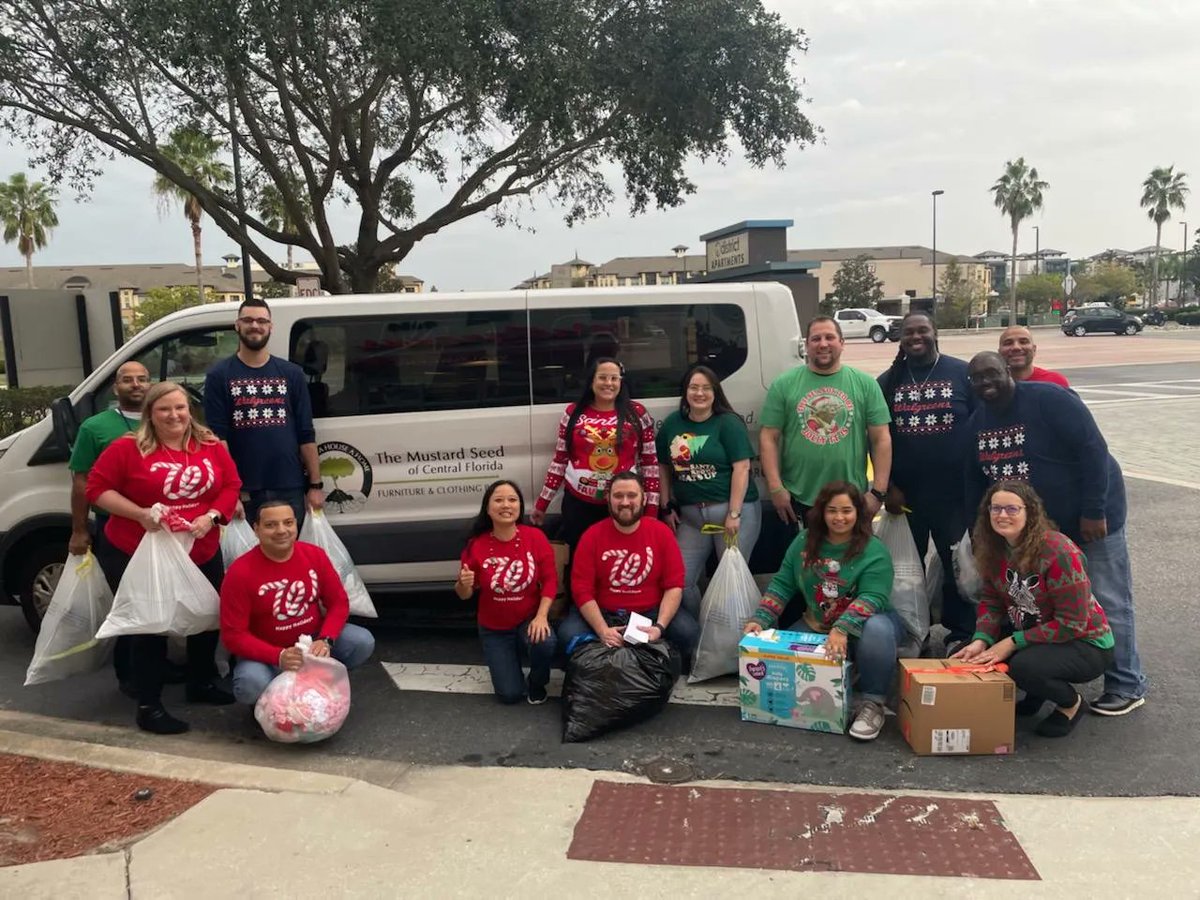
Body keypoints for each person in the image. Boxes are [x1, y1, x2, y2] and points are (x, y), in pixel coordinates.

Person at [965, 351, 1146, 716]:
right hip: (1033, 531)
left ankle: (1126, 684)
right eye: (977, 378)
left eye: (992, 374)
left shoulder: (1048, 399)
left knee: (1108, 598)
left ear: (1007, 370)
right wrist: (979, 529)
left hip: (1091, 518)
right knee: (1031, 602)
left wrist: (1093, 511)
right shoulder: (978, 423)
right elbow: (975, 480)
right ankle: (1041, 683)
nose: (986, 383)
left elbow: (1094, 450)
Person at [86, 381, 241, 735]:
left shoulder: (210, 445)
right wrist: (139, 513)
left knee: (206, 615)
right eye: (164, 409)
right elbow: (97, 488)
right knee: (151, 625)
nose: (174, 415)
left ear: (190, 411)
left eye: (180, 408)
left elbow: (231, 486)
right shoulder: (127, 448)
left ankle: (200, 681)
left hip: (200, 546)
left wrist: (213, 516)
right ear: (150, 415)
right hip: (142, 550)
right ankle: (149, 704)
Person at [953, 481, 1114, 738]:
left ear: (1030, 512)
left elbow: (1072, 623)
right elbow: (992, 600)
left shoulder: (1058, 551)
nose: (1002, 515)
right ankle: (1037, 691)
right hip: (1036, 631)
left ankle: (1071, 704)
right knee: (967, 654)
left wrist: (1011, 643)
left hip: (1085, 642)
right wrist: (981, 639)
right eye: (995, 509)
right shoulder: (994, 546)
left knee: (1024, 666)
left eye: (1012, 509)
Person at [743, 481, 901, 742]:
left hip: (867, 625)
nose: (839, 517)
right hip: (817, 623)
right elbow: (783, 584)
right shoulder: (804, 542)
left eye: (847, 510)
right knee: (785, 660)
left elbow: (873, 597)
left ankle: (873, 703)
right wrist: (760, 619)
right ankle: (845, 674)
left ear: (858, 512)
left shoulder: (874, 550)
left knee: (878, 630)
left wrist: (841, 629)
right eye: (832, 510)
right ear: (821, 512)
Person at [877, 312, 977, 651]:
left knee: (957, 567)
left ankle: (960, 633)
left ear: (935, 332)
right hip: (905, 495)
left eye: (923, 330)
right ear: (901, 338)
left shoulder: (962, 373)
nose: (916, 336)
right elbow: (877, 439)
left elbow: (981, 427)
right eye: (909, 332)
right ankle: (911, 631)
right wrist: (887, 484)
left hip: (954, 494)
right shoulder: (888, 381)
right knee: (906, 568)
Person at [759, 316, 892, 570]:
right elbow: (768, 437)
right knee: (804, 570)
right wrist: (776, 488)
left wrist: (878, 493)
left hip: (850, 501)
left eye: (830, 337)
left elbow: (881, 439)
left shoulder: (865, 384)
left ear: (842, 343)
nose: (823, 344)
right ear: (806, 345)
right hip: (799, 498)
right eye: (816, 339)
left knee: (851, 570)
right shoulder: (784, 385)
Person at [219, 499, 375, 707]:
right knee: (250, 684)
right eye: (270, 525)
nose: (281, 530)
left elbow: (338, 602)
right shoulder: (240, 572)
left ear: (296, 525)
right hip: (267, 652)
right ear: (256, 529)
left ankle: (323, 685)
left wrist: (326, 639)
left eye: (288, 523)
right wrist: (278, 656)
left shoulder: (314, 555)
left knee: (361, 641)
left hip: (311, 643)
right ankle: (266, 705)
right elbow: (233, 635)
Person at [203, 298, 325, 530]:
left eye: (261, 320)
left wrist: (315, 485)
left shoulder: (291, 374)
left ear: (271, 327)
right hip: (245, 488)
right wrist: (231, 493)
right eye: (247, 320)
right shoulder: (219, 375)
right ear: (237, 325)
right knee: (248, 560)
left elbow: (306, 433)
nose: (255, 325)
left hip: (289, 484)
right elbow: (218, 439)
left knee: (287, 554)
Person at [68, 360, 151, 695]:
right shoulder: (95, 427)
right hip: (116, 527)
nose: (136, 385)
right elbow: (81, 481)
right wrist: (78, 529)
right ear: (115, 388)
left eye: (142, 379)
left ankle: (158, 664)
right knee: (128, 601)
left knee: (158, 598)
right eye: (127, 380)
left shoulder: (164, 418)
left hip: (160, 529)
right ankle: (128, 673)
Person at [657, 365, 761, 617]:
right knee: (680, 582)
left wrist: (734, 514)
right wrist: (665, 505)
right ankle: (701, 629)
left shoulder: (727, 423)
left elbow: (742, 467)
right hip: (691, 519)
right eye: (694, 387)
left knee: (731, 585)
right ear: (685, 391)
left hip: (733, 514)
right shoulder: (673, 423)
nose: (699, 393)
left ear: (716, 392)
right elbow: (662, 466)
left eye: (706, 388)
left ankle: (730, 644)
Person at [559, 471, 697, 657]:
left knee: (688, 633)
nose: (625, 502)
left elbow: (673, 586)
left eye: (632, 495)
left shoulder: (662, 533)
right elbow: (581, 589)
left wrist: (659, 627)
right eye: (618, 496)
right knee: (567, 635)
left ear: (644, 499)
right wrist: (602, 630)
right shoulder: (591, 536)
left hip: (650, 612)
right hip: (604, 611)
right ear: (608, 499)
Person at [530, 357, 660, 551]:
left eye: (614, 378)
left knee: (620, 558)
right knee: (580, 559)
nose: (608, 383)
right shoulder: (573, 412)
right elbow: (560, 461)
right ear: (592, 381)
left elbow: (650, 465)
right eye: (603, 377)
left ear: (621, 382)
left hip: (623, 505)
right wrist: (542, 504)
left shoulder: (637, 413)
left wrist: (651, 511)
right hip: (578, 504)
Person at [455, 480, 558, 705]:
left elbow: (550, 581)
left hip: (527, 619)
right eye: (499, 500)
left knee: (545, 641)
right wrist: (464, 584)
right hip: (494, 629)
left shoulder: (535, 537)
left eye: (512, 500)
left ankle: (537, 682)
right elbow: (465, 594)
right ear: (488, 508)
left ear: (520, 506)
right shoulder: (476, 545)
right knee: (509, 695)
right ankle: (508, 663)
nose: (506, 505)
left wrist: (541, 617)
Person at [998, 326, 1071, 388]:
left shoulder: (1056, 382)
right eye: (1008, 343)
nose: (1016, 347)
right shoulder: (992, 385)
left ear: (1034, 349)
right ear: (999, 352)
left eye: (1023, 342)